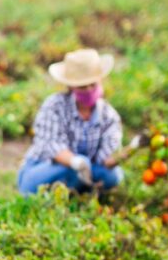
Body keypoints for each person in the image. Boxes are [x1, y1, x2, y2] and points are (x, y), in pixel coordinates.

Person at [18, 48, 137, 196]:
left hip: (87, 169)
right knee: (31, 187)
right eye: (82, 86)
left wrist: (133, 148)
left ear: (100, 81)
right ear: (71, 86)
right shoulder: (55, 106)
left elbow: (106, 159)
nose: (88, 89)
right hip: (46, 167)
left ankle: (77, 189)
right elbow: (50, 144)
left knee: (114, 176)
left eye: (92, 85)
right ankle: (71, 189)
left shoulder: (108, 116)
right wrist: (77, 163)